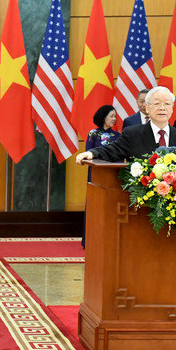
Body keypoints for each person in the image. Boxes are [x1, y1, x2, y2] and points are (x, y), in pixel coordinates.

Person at [75, 86, 176, 164]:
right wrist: (92, 152)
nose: (162, 108)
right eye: (156, 104)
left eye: (167, 104)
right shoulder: (132, 134)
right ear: (147, 108)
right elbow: (114, 149)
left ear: (172, 108)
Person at [81, 105, 121, 247]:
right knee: (94, 204)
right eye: (111, 116)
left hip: (111, 175)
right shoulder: (93, 134)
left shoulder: (118, 136)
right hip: (95, 174)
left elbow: (120, 156)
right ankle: (89, 240)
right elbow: (87, 154)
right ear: (103, 117)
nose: (114, 119)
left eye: (115, 116)